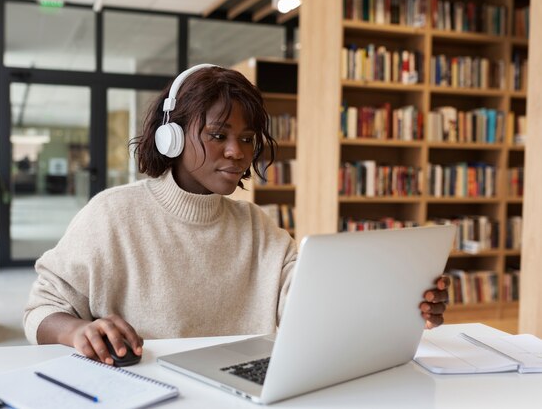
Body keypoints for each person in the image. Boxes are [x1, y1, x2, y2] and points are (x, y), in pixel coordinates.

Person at [24, 64, 449, 366]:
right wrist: (74, 331)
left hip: (245, 390)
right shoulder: (112, 215)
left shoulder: (258, 226)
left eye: (247, 138)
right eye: (218, 135)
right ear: (170, 138)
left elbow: (310, 305)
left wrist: (402, 304)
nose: (238, 151)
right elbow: (42, 309)